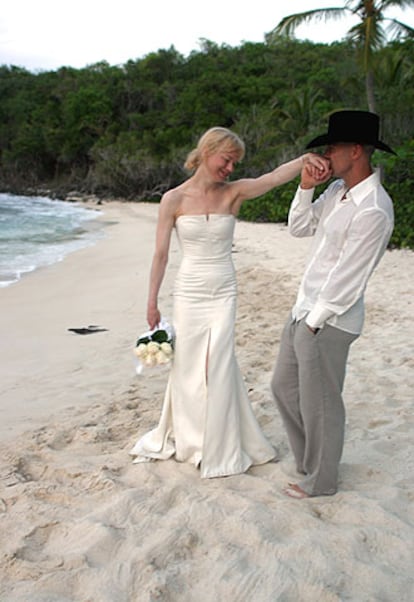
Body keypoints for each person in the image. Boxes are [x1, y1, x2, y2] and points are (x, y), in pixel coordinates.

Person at [129, 126, 329, 478]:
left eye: (235, 163)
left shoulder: (233, 194)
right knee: (189, 367)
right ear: (208, 151)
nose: (231, 169)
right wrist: (151, 303)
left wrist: (302, 161)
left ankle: (218, 445)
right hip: (189, 292)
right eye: (227, 160)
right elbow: (160, 254)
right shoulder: (173, 200)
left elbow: (270, 179)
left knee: (219, 362)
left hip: (224, 291)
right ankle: (192, 440)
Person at [270, 110, 395, 498]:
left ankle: (321, 481)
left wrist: (314, 323)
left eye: (333, 147)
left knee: (321, 403)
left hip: (328, 320)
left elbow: (349, 277)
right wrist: (306, 186)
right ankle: (310, 464)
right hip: (303, 309)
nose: (326, 155)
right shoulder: (337, 192)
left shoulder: (373, 206)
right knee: (283, 389)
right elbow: (299, 227)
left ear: (356, 151)